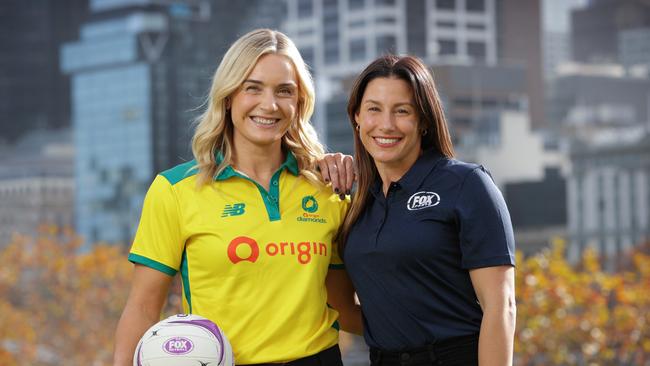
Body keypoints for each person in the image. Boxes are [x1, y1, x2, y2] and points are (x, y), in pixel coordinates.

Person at [113, 29, 360, 366]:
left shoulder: (327, 189)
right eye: (252, 88)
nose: (269, 105)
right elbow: (142, 307)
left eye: (284, 91)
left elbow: (344, 305)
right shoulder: (174, 190)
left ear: (299, 102)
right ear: (228, 96)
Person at [337, 55, 516, 366]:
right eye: (374, 109)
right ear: (357, 117)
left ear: (423, 120)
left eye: (402, 111)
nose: (386, 124)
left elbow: (501, 306)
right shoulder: (356, 206)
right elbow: (342, 308)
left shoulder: (466, 184)